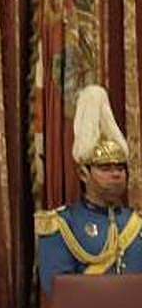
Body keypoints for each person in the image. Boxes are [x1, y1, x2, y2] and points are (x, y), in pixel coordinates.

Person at [37, 85, 142, 294]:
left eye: (120, 167)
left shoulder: (136, 224)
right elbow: (60, 292)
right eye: (105, 168)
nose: (116, 174)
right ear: (83, 174)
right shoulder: (62, 225)